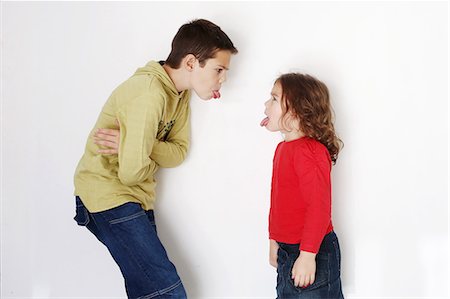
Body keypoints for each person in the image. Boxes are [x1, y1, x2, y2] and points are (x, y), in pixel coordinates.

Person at [73, 18, 238, 299]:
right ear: (190, 63)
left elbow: (178, 152)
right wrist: (139, 152)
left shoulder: (179, 95)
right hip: (107, 195)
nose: (223, 79)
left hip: (134, 198)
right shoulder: (150, 92)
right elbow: (131, 173)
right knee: (166, 291)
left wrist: (134, 144)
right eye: (218, 69)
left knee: (149, 290)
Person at [260, 73, 344, 298]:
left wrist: (307, 255)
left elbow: (319, 207)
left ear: (297, 112)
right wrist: (273, 240)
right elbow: (278, 200)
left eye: (274, 99)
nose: (266, 104)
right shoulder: (283, 149)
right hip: (289, 249)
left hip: (312, 249)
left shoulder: (310, 152)